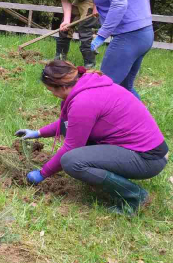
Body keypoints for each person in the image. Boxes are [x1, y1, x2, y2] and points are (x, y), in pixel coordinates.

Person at [16, 60, 167, 215]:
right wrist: (38, 133)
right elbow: (69, 123)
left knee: (71, 161)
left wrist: (42, 174)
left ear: (62, 87)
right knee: (75, 149)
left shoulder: (84, 101)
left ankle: (135, 196)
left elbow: (70, 147)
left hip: (148, 159)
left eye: (51, 90)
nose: (53, 95)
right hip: (141, 150)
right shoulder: (88, 85)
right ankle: (104, 178)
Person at [71, 0, 154, 99]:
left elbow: (119, 4)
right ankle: (143, 123)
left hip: (129, 36)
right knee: (124, 87)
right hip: (145, 33)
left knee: (102, 87)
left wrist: (102, 35)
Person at [31, 0, 98, 68]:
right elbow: (65, 1)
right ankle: (60, 59)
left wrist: (97, 5)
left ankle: (89, 63)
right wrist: (66, 21)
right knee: (64, 28)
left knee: (84, 29)